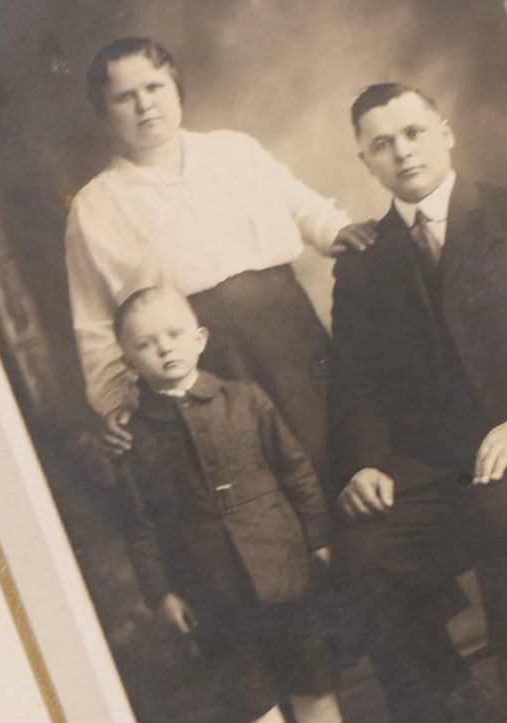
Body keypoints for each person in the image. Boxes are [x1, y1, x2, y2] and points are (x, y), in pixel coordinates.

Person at [330, 84, 507, 723]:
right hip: (426, 463)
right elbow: (355, 385)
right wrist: (367, 462)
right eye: (382, 143)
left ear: (444, 132)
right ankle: (458, 706)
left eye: (413, 131)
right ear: (365, 160)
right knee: (361, 550)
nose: (402, 150)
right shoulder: (363, 260)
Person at [113, 285, 388, 723]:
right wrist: (162, 592)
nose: (163, 350)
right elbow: (139, 524)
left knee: (309, 664)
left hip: (281, 560)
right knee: (246, 683)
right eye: (145, 344)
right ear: (128, 360)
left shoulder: (246, 399)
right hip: (208, 582)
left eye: (173, 335)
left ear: (199, 338)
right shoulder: (134, 437)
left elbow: (298, 473)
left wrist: (317, 541)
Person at [65, 36, 375, 475]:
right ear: (103, 110)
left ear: (176, 89)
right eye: (124, 97)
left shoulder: (232, 150)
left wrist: (336, 229)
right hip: (196, 355)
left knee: (335, 447)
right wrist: (115, 398)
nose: (144, 105)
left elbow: (303, 207)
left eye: (154, 87)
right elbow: (94, 323)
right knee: (258, 471)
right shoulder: (96, 205)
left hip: (288, 329)